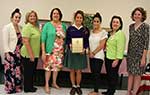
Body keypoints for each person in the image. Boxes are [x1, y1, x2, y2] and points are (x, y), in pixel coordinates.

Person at [41, 8, 66, 94]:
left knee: (56, 69)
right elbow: (43, 39)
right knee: (48, 68)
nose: (56, 15)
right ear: (51, 15)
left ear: (60, 15)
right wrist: (43, 51)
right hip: (49, 50)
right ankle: (47, 84)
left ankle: (54, 83)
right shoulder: (47, 25)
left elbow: (65, 38)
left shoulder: (63, 26)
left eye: (57, 13)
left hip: (59, 51)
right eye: (54, 13)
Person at [64, 10, 89, 95]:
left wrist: (85, 49)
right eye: (77, 17)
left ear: (83, 19)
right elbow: (67, 40)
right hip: (72, 52)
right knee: (72, 70)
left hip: (81, 53)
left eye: (80, 18)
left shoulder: (85, 30)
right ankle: (73, 86)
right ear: (75, 18)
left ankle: (78, 86)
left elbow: (86, 42)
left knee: (79, 71)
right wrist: (70, 45)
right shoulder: (70, 29)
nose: (79, 19)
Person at [126, 7, 149, 95]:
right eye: (135, 14)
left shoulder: (145, 26)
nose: (137, 16)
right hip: (131, 54)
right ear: (133, 15)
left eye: (139, 14)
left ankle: (134, 93)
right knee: (130, 74)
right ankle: (128, 92)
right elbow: (130, 40)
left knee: (137, 75)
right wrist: (127, 53)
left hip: (140, 55)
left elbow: (146, 43)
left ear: (142, 15)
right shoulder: (131, 26)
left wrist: (143, 58)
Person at [102, 16, 126, 95]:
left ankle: (111, 92)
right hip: (108, 57)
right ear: (111, 23)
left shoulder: (120, 34)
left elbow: (121, 48)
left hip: (115, 59)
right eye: (113, 22)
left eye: (117, 22)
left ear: (120, 24)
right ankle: (109, 90)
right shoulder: (111, 33)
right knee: (109, 75)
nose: (115, 23)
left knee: (113, 76)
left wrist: (117, 59)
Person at [2, 8, 22, 94]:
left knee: (17, 71)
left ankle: (17, 87)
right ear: (12, 18)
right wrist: (6, 53)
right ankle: (10, 88)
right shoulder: (7, 27)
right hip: (10, 52)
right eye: (16, 17)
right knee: (10, 71)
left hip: (18, 53)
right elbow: (5, 41)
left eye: (19, 17)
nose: (17, 19)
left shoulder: (20, 27)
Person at [88, 13, 107, 95]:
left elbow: (102, 45)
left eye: (97, 21)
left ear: (100, 22)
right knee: (93, 73)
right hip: (91, 56)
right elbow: (89, 44)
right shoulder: (91, 32)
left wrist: (93, 53)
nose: (95, 23)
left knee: (96, 74)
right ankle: (95, 90)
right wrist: (89, 52)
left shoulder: (103, 32)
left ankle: (96, 91)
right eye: (94, 21)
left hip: (98, 56)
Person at [21, 10, 40, 92]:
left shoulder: (35, 27)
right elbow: (26, 41)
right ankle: (27, 88)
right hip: (28, 54)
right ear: (28, 18)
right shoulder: (27, 27)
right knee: (28, 72)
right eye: (31, 16)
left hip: (35, 54)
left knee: (32, 72)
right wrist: (31, 54)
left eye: (34, 16)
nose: (33, 17)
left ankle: (30, 86)